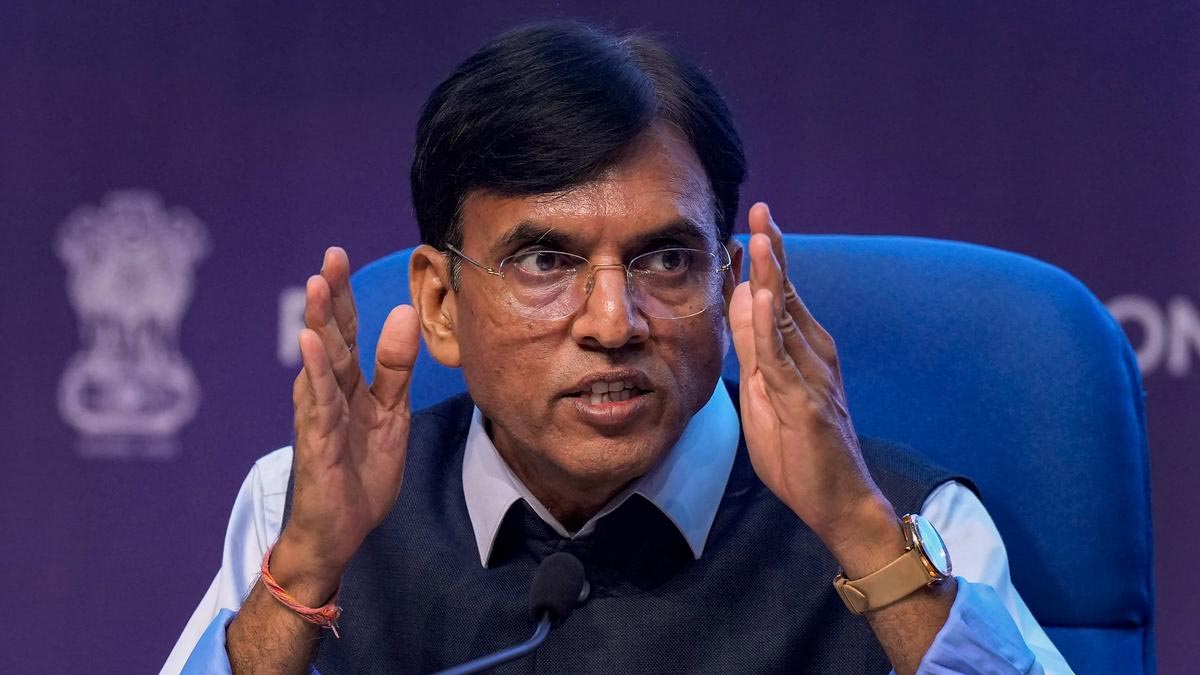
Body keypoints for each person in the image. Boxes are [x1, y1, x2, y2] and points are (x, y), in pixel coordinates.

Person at [165, 21, 1072, 674]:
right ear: (440, 302)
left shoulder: (917, 523)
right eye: (545, 261)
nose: (613, 322)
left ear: (728, 283)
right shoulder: (300, 511)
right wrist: (306, 572)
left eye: (666, 260)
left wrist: (862, 537)